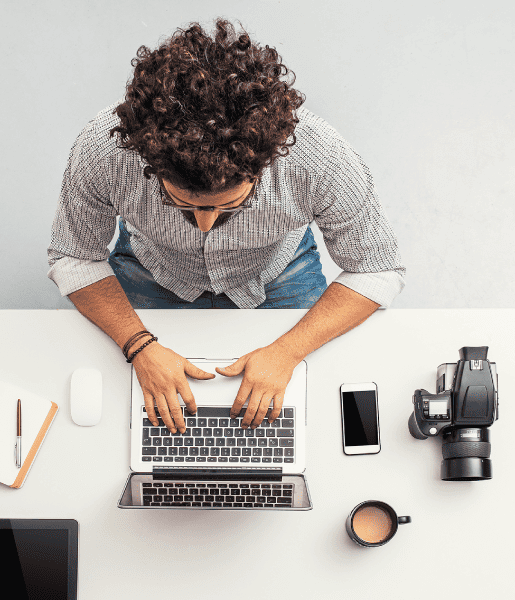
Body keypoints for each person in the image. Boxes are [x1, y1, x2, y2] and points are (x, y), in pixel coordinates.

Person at [48, 18, 405, 435]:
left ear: (266, 165)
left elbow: (378, 268)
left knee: (310, 415)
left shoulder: (319, 158)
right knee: (117, 420)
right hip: (151, 270)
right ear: (148, 162)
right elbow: (73, 256)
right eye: (180, 203)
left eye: (229, 206)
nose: (203, 225)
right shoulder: (103, 150)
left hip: (279, 274)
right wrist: (138, 345)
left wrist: (287, 352)